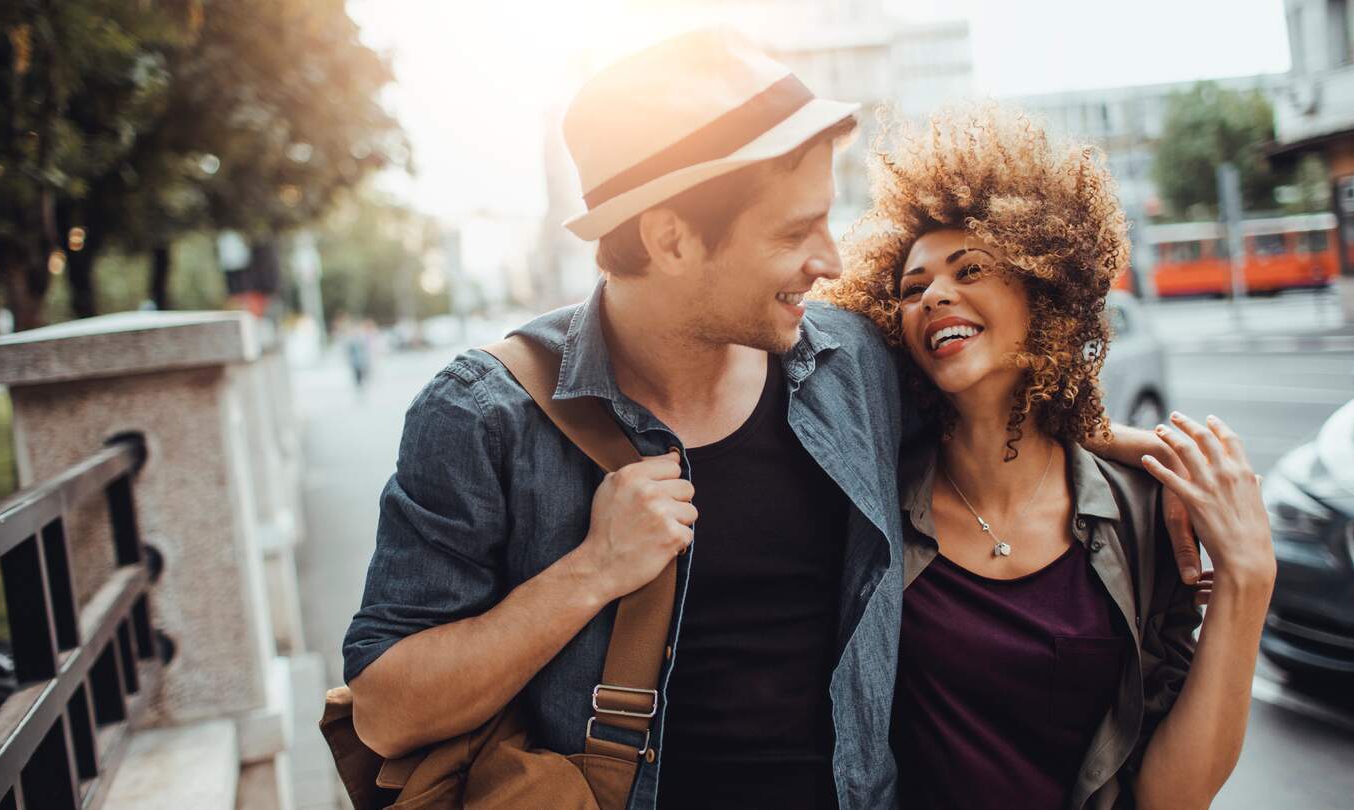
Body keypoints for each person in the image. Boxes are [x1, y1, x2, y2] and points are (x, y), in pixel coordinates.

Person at [343, 32, 1193, 810]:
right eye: (797, 230)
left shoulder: (852, 364)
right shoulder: (484, 417)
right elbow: (385, 712)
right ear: (671, 239)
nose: (829, 259)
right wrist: (591, 572)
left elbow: (989, 408)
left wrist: (1129, 457)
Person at [821, 105, 1275, 810]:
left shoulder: (1144, 515)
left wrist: (1246, 582)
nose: (937, 293)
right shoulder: (867, 501)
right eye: (913, 289)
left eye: (971, 268)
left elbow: (1170, 798)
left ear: (1043, 291)